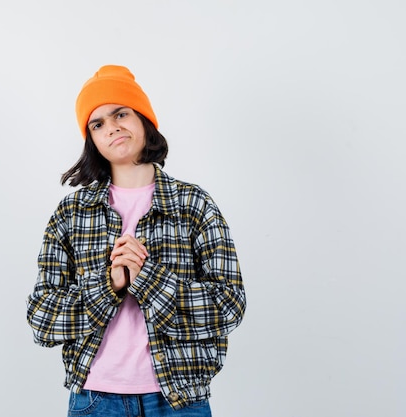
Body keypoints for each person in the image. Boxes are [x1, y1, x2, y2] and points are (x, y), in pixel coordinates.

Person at [26, 65, 246, 416]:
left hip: (179, 399)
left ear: (143, 119)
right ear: (92, 140)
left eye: (120, 113)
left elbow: (229, 306)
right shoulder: (71, 213)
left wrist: (147, 278)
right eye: (97, 124)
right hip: (96, 399)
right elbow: (42, 317)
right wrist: (109, 285)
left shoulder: (193, 204)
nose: (111, 126)